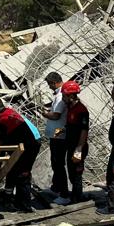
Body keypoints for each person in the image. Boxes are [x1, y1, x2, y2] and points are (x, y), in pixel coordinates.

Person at [0, 96, 42, 212]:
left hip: (27, 146)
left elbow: (0, 145)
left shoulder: (1, 120)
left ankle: (24, 206)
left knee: (22, 175)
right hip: (28, 143)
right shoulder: (10, 112)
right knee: (12, 169)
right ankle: (9, 197)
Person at [61, 80, 91, 205]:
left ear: (71, 96)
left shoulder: (81, 111)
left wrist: (79, 149)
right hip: (70, 145)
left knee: (77, 173)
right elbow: (68, 127)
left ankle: (77, 198)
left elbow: (84, 131)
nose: (63, 98)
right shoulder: (70, 107)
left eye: (64, 96)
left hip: (78, 147)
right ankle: (77, 195)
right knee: (72, 172)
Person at [43, 71, 70, 200]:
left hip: (59, 134)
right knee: (56, 163)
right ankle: (56, 187)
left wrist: (44, 113)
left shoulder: (60, 96)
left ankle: (63, 193)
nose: (49, 87)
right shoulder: (59, 95)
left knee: (58, 164)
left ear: (54, 83)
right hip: (57, 133)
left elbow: (56, 115)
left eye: (49, 84)